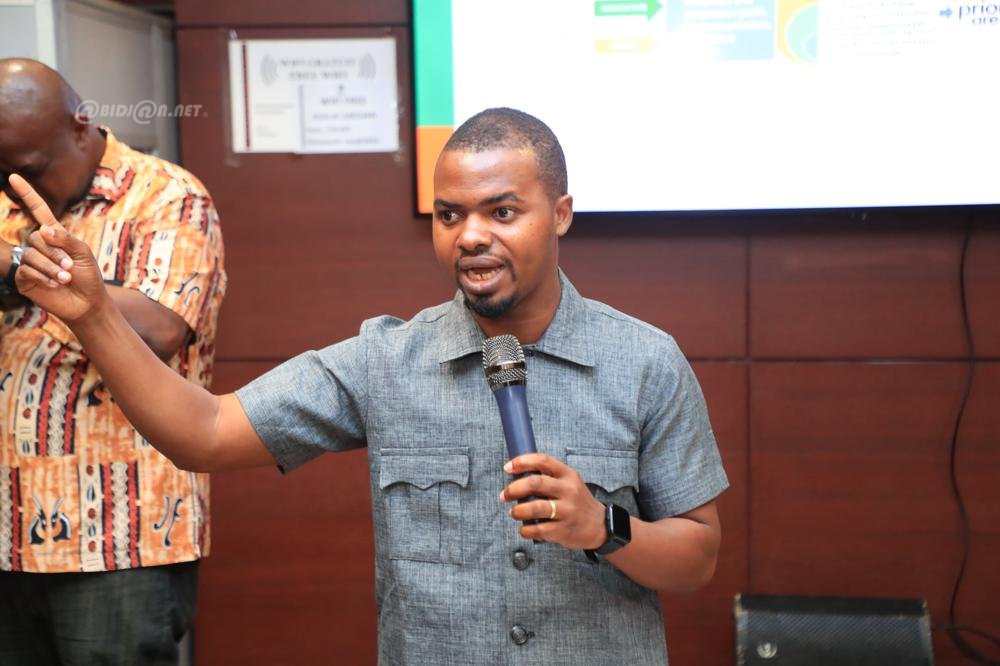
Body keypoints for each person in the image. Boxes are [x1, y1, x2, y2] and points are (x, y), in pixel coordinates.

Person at [12, 106, 726, 665]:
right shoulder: (385, 360)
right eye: (450, 215)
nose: (470, 236)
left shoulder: (644, 361)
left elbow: (697, 556)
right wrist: (95, 315)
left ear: (561, 214)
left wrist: (602, 526)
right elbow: (204, 432)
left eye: (502, 212)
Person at [0, 59, 226, 665]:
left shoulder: (168, 196)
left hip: (119, 535)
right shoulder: (6, 201)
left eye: (30, 169)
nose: (16, 188)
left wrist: (21, 266)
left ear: (81, 126)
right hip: (9, 531)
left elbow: (161, 329)